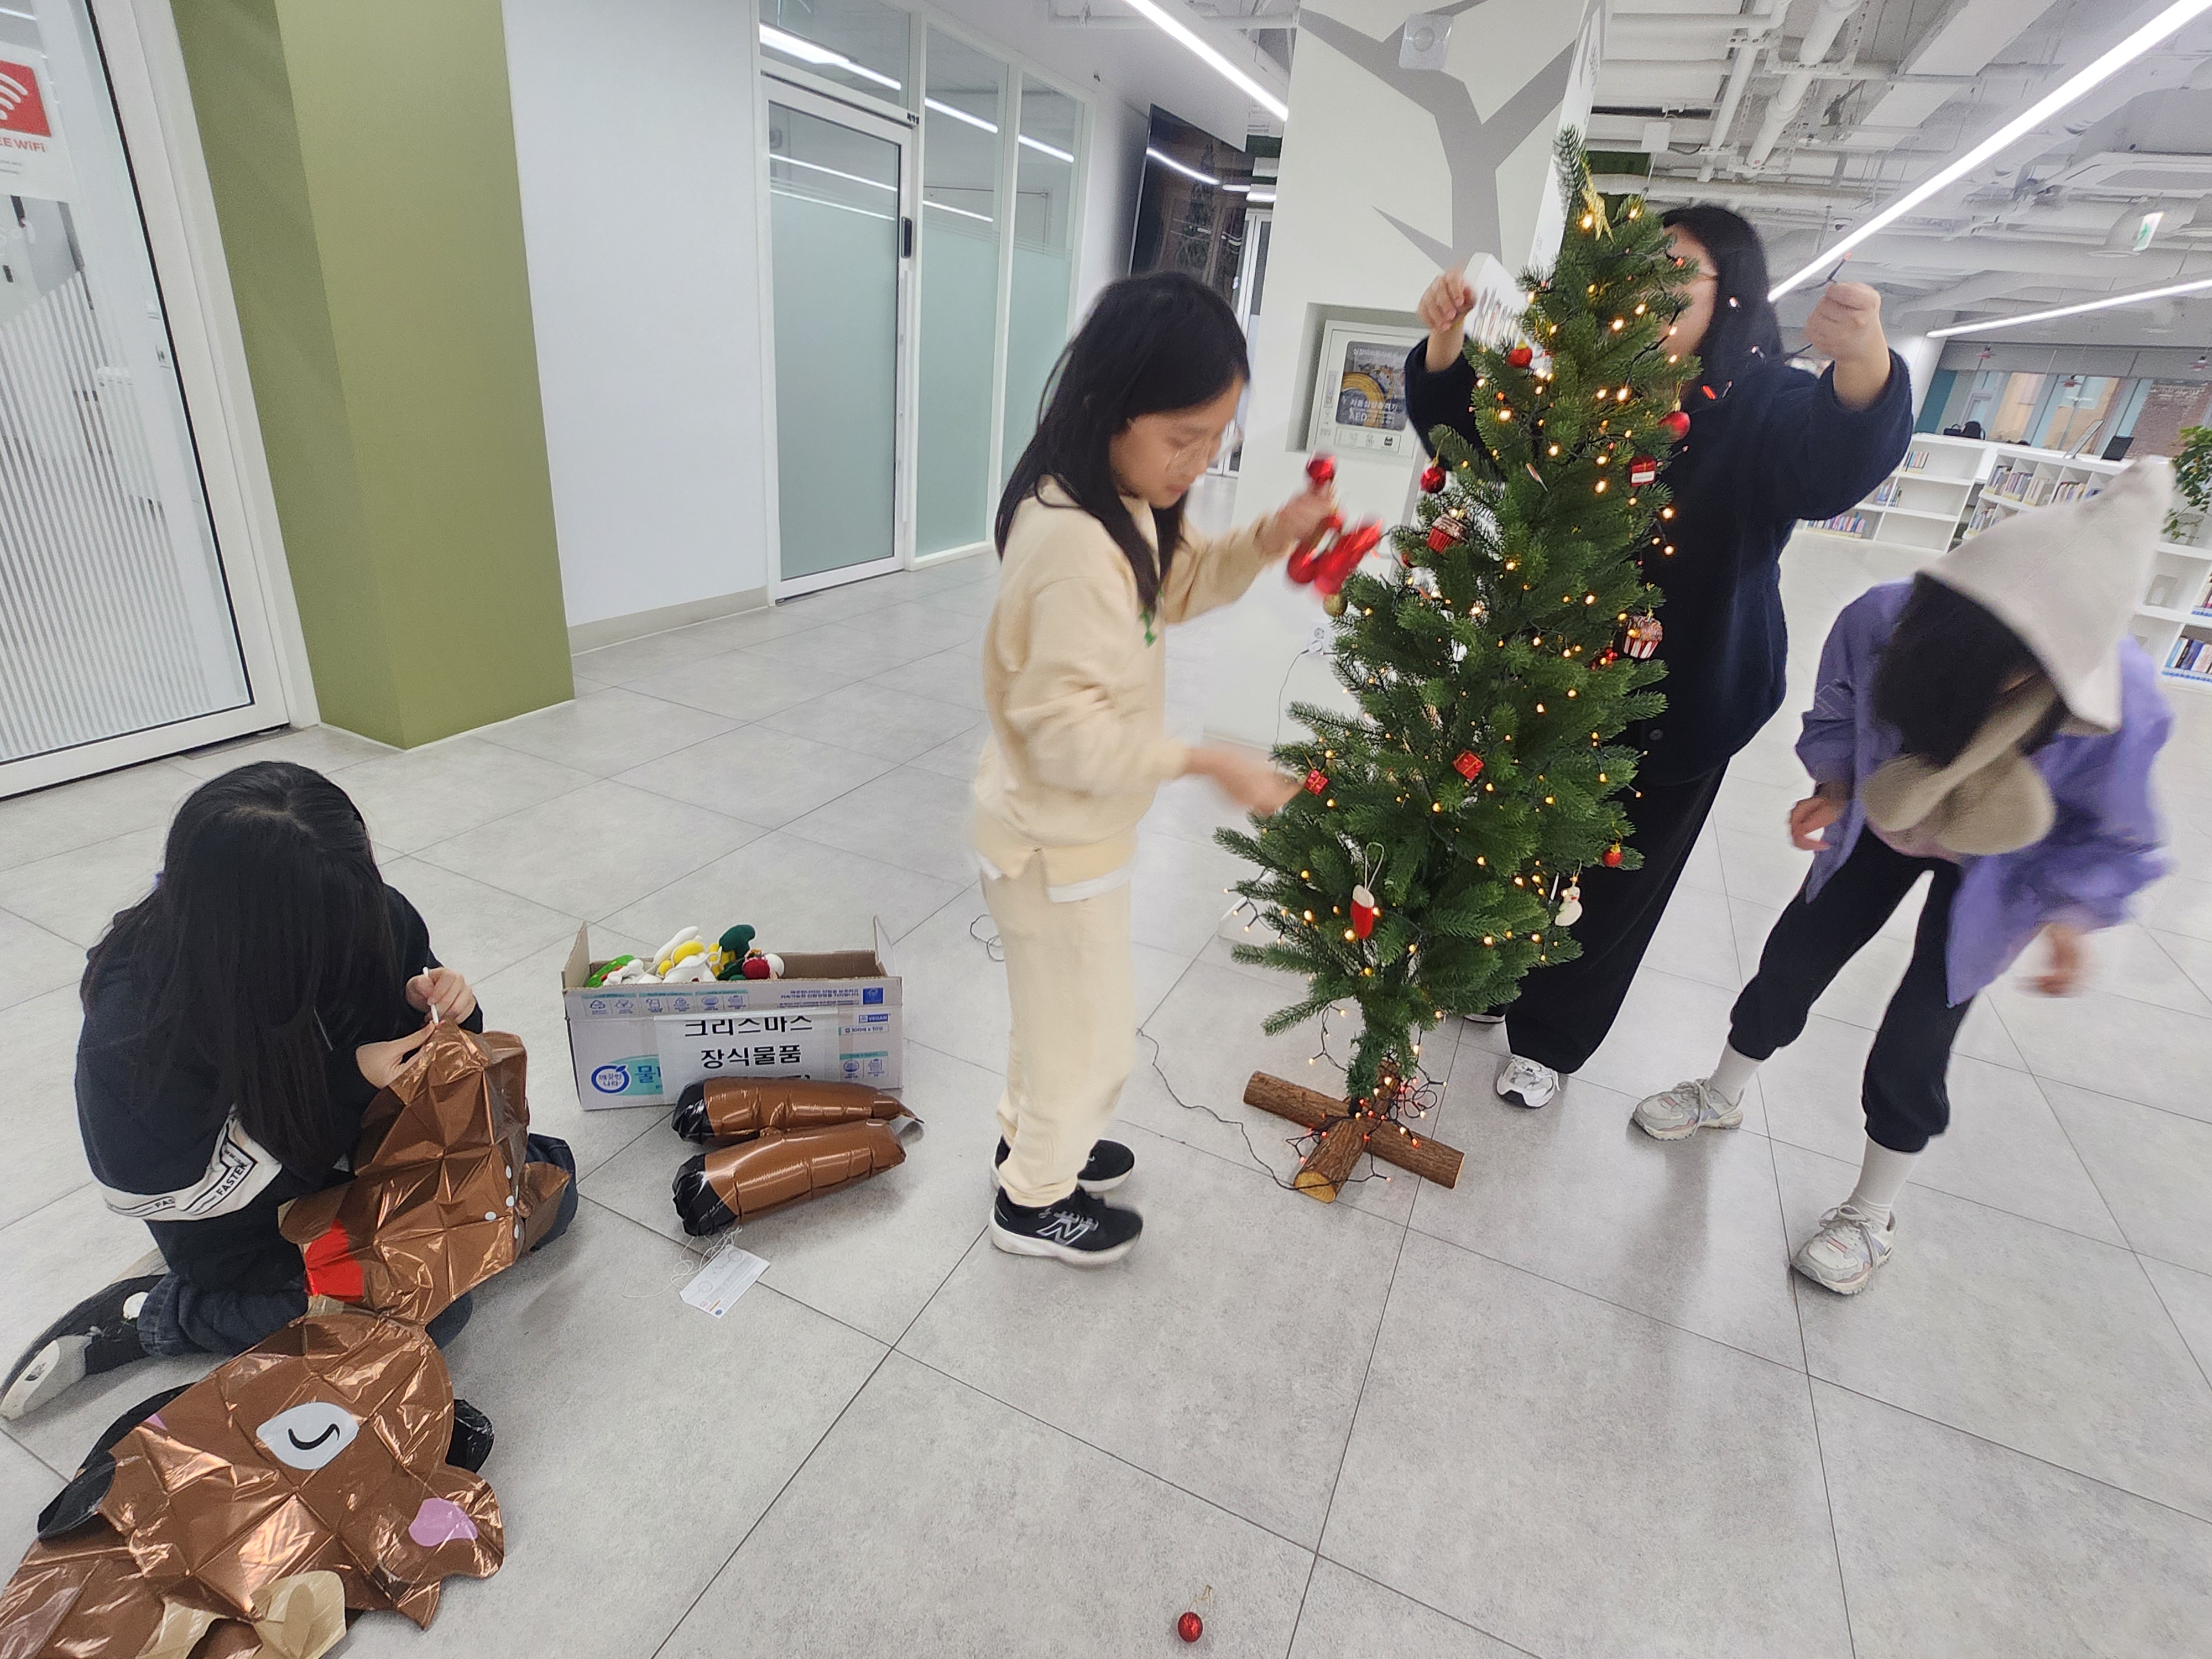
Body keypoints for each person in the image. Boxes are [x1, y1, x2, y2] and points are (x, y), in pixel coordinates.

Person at [1404, 206, 1914, 1110]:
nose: (1647, 291)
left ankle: (1551, 1040)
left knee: (1612, 882)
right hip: (1544, 673)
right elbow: (1475, 434)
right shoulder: (1579, 383)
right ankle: (1490, 976)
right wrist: (1447, 342)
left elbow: (1831, 465)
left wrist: (1864, 359)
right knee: (1509, 844)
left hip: (1681, 700)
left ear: (1732, 297)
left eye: (1677, 274)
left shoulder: (1759, 399)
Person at [1631, 460, 2173, 1294]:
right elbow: (1839, 707)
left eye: (2019, 673)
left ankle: (1870, 1212)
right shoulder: (1883, 616)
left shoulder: (2123, 705)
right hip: (1886, 818)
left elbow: (2116, 832)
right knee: (1795, 958)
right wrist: (1833, 786)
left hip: (1998, 865)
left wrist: (2071, 914)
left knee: (1921, 1030)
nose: (1996, 684)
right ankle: (1722, 1091)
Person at [0, 762, 577, 1419]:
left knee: (551, 1184)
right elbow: (166, 1188)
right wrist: (350, 1083)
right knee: (428, 1312)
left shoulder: (361, 908)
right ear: (260, 934)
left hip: (365, 1159)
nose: (361, 924)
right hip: (250, 1225)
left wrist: (448, 1013)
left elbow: (428, 1056)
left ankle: (358, 1265)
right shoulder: (137, 1023)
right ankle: (161, 1314)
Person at [974, 272, 1335, 1265]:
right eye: (1183, 437)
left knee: (1053, 1021)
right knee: (1089, 1043)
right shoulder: (1071, 542)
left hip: (1064, 833)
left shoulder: (1119, 501)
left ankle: (1030, 1143)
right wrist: (1207, 760)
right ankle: (1033, 1201)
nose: (1198, 461)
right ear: (1110, 404)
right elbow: (1063, 733)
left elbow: (1173, 590)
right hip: (1053, 842)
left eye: (1215, 439)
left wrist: (1268, 537)